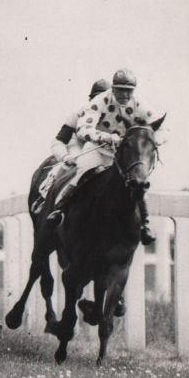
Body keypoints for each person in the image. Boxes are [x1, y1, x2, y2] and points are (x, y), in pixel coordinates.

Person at [46, 68, 167, 245]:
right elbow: (83, 129)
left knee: (138, 178)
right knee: (83, 169)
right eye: (120, 90)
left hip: (120, 153)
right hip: (97, 149)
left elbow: (163, 127)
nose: (125, 95)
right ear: (113, 88)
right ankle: (60, 209)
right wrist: (105, 137)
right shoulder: (99, 101)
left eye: (129, 90)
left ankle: (145, 224)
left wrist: (152, 138)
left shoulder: (139, 104)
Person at [30, 79, 110, 215]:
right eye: (98, 99)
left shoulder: (116, 115)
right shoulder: (80, 112)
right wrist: (65, 156)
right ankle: (45, 200)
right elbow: (57, 142)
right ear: (91, 100)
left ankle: (144, 220)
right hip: (78, 150)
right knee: (69, 168)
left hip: (103, 154)